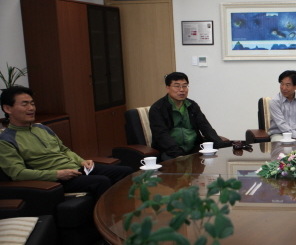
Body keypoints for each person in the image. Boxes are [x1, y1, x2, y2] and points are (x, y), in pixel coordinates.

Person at [0, 86, 132, 198]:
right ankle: (108, 221)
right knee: (101, 181)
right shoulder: (6, 140)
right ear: (7, 109)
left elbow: (64, 150)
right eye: (25, 104)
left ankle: (130, 212)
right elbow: (18, 173)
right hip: (57, 178)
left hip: (77, 169)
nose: (31, 108)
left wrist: (81, 160)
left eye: (32, 103)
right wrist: (57, 174)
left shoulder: (42, 128)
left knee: (126, 171)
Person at [149, 72, 234, 161]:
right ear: (167, 88)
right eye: (177, 86)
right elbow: (162, 135)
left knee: (212, 160)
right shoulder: (157, 108)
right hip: (170, 150)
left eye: (185, 86)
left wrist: (222, 147)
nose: (182, 90)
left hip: (193, 147)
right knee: (176, 165)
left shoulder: (192, 105)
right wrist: (178, 154)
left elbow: (205, 127)